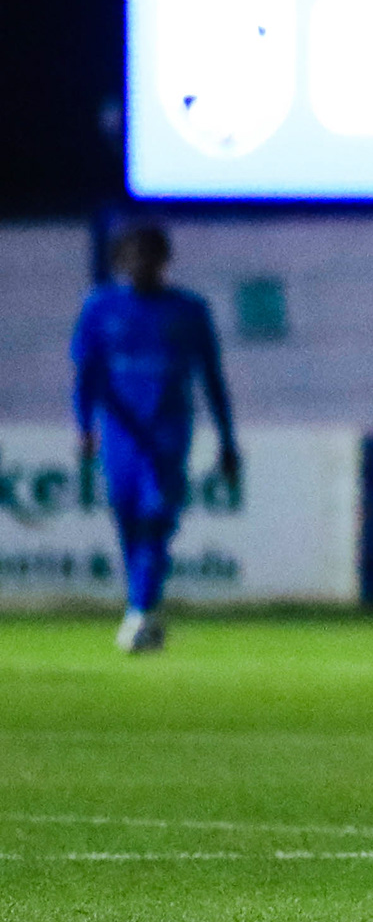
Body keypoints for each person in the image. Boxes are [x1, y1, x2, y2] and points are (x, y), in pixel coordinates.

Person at [72, 221, 240, 653]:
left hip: (168, 432)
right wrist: (84, 425)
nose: (144, 265)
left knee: (156, 517)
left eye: (152, 256)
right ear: (121, 261)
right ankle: (143, 607)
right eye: (135, 256)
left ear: (165, 261)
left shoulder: (188, 310)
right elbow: (87, 375)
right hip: (120, 434)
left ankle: (139, 612)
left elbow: (211, 376)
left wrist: (226, 439)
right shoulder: (100, 308)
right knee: (128, 518)